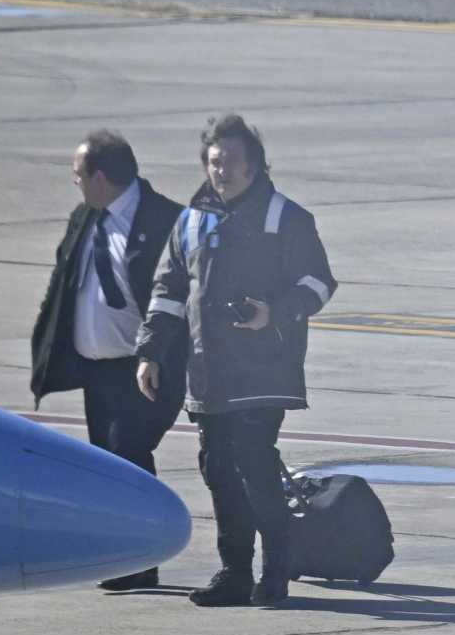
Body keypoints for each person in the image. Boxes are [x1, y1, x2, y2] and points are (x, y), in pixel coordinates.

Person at [135, 115, 336, 607]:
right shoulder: (191, 219)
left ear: (254, 167)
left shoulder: (286, 218)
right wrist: (151, 351)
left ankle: (276, 570)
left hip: (264, 370)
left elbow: (318, 283)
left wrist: (274, 313)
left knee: (255, 466)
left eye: (230, 162)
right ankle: (235, 572)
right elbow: (170, 289)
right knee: (218, 470)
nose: (220, 171)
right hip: (208, 373)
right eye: (213, 161)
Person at [29, 129, 184, 591]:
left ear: (99, 176)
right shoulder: (85, 218)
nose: (74, 182)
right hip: (95, 369)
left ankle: (143, 557)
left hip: (143, 367)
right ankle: (124, 555)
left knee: (129, 459)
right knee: (107, 464)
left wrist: (161, 354)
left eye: (78, 174)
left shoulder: (164, 220)